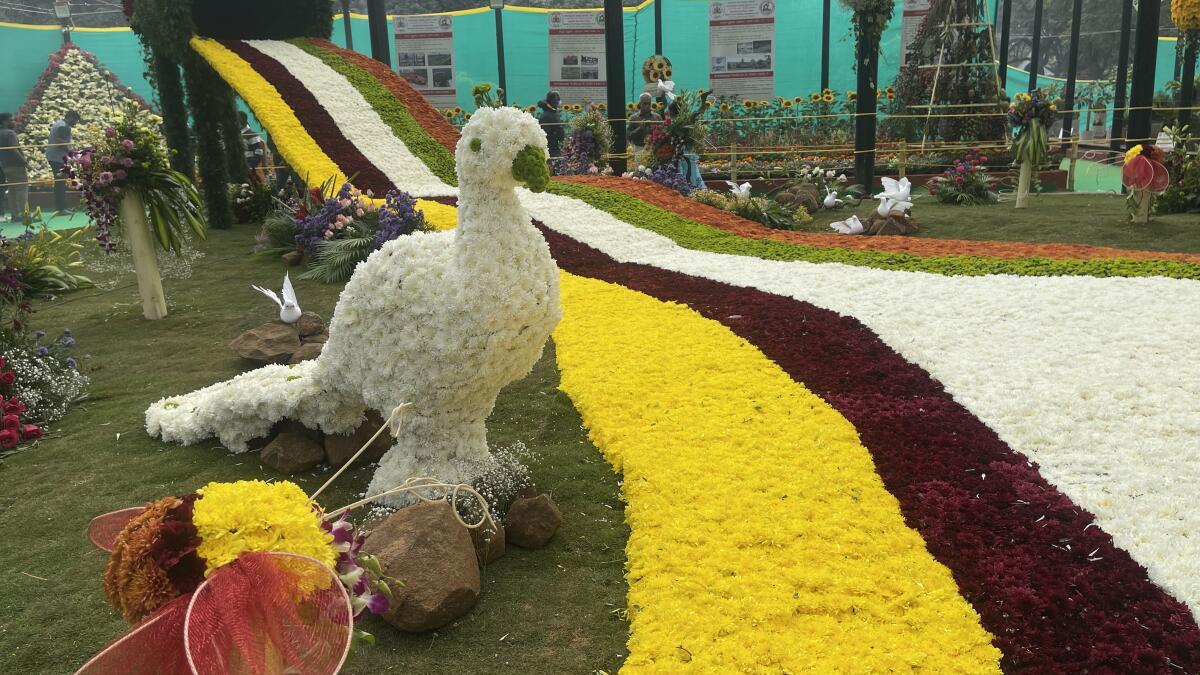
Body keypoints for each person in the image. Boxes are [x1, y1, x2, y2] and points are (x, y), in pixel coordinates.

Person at [45, 110, 79, 213]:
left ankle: (61, 207)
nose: (76, 123)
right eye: (76, 120)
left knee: (60, 182)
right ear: (71, 118)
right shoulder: (64, 126)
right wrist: (72, 153)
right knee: (60, 183)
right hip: (57, 157)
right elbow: (61, 142)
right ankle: (61, 208)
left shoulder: (58, 123)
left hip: (54, 156)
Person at [537, 91, 563, 169]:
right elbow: (559, 131)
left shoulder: (546, 113)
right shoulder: (552, 115)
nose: (559, 102)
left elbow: (541, 102)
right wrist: (561, 137)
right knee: (555, 166)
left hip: (547, 144)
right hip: (552, 145)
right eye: (558, 100)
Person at [239, 110, 266, 183]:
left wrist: (251, 166)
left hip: (252, 169)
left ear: (244, 120)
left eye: (238, 119)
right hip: (241, 168)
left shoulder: (252, 134)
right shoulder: (238, 134)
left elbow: (259, 151)